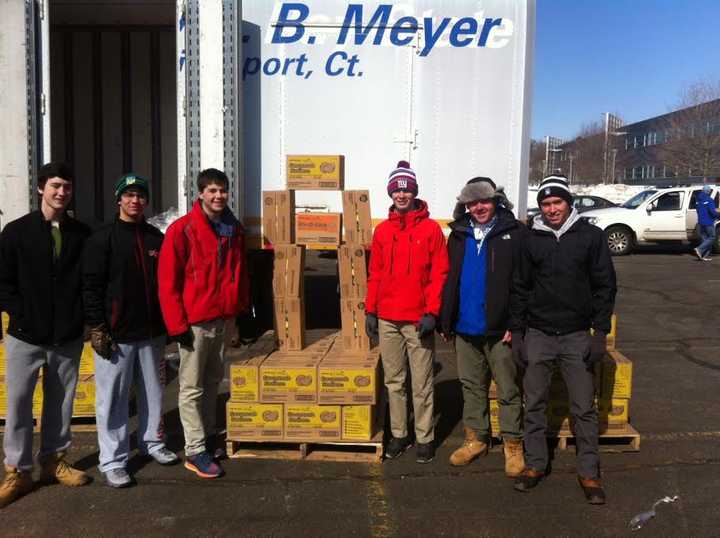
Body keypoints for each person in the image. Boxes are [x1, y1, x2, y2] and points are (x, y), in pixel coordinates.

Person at [510, 175, 616, 504]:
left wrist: (600, 334)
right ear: (539, 207)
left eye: (557, 202)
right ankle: (535, 465)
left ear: (568, 202)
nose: (552, 209)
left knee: (583, 407)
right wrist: (518, 333)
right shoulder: (530, 239)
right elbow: (520, 287)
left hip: (575, 335)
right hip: (539, 333)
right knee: (535, 404)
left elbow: (605, 286)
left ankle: (588, 472)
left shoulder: (591, 237)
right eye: (546, 204)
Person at [0, 162, 91, 508]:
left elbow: (88, 282)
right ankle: (18, 472)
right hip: (25, 336)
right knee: (19, 403)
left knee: (61, 402)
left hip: (65, 337)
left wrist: (79, 319)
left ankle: (54, 461)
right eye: (55, 186)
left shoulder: (82, 234)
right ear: (41, 188)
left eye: (67, 187)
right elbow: (3, 282)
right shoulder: (16, 233)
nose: (61, 192)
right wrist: (22, 315)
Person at [82, 174, 179, 488]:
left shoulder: (154, 238)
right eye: (129, 195)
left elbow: (166, 284)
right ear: (118, 199)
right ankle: (113, 460)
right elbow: (91, 286)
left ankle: (152, 442)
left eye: (140, 196)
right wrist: (97, 326)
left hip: (151, 332)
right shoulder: (103, 238)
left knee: (153, 392)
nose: (135, 201)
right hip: (116, 335)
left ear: (146, 201)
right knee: (112, 399)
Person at [158, 168, 248, 479]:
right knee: (191, 387)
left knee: (213, 382)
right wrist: (177, 326)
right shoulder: (182, 231)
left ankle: (208, 436)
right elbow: (168, 283)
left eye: (222, 190)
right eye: (211, 190)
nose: (218, 196)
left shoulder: (232, 230)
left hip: (221, 319)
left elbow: (238, 275)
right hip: (194, 323)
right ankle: (195, 449)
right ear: (200, 194)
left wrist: (236, 315)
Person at [439, 177, 525, 476]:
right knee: (472, 387)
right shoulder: (459, 234)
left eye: (484, 200)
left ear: (495, 200)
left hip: (500, 328)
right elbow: (450, 280)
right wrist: (446, 318)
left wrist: (515, 322)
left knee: (508, 388)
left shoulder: (513, 233)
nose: (479, 207)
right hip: (465, 327)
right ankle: (476, 439)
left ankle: (513, 444)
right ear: (466, 205)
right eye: (472, 202)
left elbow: (522, 282)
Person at [365, 160, 449, 464]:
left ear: (414, 192)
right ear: (391, 193)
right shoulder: (383, 231)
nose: (402, 195)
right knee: (394, 380)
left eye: (407, 190)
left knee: (422, 381)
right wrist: (370, 310)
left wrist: (432, 312)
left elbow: (440, 273)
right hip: (387, 318)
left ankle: (424, 436)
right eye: (397, 191)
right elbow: (374, 272)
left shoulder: (430, 230)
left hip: (417, 320)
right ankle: (400, 434)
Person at [693, 184, 719, 261]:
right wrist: (718, 216)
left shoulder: (698, 200)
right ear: (708, 191)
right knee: (712, 237)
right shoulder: (709, 200)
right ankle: (699, 249)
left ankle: (703, 256)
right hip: (708, 222)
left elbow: (697, 210)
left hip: (700, 222)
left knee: (706, 240)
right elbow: (713, 212)